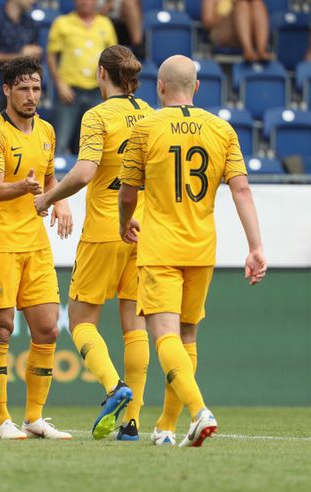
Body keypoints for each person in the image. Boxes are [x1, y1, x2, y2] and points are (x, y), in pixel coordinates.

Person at [118, 55, 267, 447]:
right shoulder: (222, 129)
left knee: (164, 335)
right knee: (187, 335)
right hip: (201, 247)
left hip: (160, 246)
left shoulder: (147, 128)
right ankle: (166, 428)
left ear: (160, 87)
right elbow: (242, 190)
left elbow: (128, 190)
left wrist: (124, 221)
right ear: (197, 87)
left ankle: (200, 411)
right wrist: (255, 247)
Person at [35, 45, 152, 442]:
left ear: (102, 73)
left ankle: (113, 386)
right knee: (134, 327)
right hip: (143, 231)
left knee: (81, 321)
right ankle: (132, 423)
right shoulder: (151, 115)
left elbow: (85, 173)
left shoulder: (98, 115)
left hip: (106, 228)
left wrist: (48, 198)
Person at [0, 56, 73, 440]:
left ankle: (34, 417)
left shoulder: (47, 130)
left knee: (48, 329)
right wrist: (28, 189)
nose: (31, 96)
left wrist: (59, 200)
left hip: (35, 242)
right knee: (1, 330)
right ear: (7, 90)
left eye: (36, 88)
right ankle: (2, 421)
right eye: (23, 88)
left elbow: (49, 177)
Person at [47, 0, 117, 155]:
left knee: (95, 146)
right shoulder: (62, 23)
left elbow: (113, 56)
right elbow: (51, 55)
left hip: (97, 92)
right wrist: (59, 83)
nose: (85, 2)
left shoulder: (105, 23)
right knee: (60, 144)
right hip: (69, 91)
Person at [0, 0, 41, 133]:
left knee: (21, 140)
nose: (34, 1)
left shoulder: (30, 24)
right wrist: (20, 55)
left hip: (20, 92)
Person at [202, 0, 271, 62]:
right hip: (222, 33)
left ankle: (261, 50)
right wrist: (231, 6)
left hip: (249, 32)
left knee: (257, 3)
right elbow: (207, 24)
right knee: (241, 6)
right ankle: (248, 50)